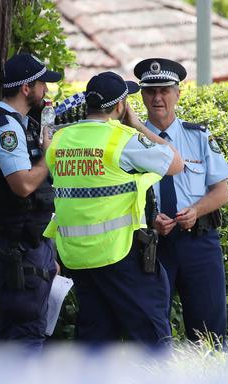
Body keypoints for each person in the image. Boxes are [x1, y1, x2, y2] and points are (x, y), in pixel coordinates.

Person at [44, 71, 183, 348]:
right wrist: (138, 126)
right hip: (119, 253)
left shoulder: (60, 140)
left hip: (78, 256)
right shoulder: (121, 139)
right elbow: (175, 163)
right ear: (121, 106)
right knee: (151, 335)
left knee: (96, 335)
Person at [133, 58, 228, 344]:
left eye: (165, 90)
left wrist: (196, 210)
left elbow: (221, 192)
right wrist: (150, 220)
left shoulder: (198, 136)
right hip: (152, 245)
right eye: (150, 91)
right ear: (142, 95)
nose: (158, 98)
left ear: (178, 93)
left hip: (198, 243)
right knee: (152, 336)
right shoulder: (130, 140)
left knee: (209, 336)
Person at [0, 53, 62, 352]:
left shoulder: (22, 124)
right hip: (18, 245)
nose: (46, 91)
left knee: (28, 326)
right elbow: (23, 184)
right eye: (42, 85)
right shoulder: (5, 128)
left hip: (31, 243)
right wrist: (49, 157)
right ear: (26, 88)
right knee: (26, 330)